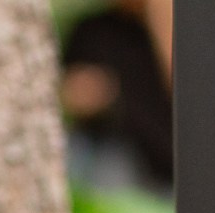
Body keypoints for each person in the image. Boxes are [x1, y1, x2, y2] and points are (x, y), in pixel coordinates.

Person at [60, 0, 175, 193]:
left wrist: (162, 16)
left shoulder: (182, 29)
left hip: (170, 162)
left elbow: (190, 96)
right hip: (118, 159)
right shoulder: (92, 31)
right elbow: (67, 94)